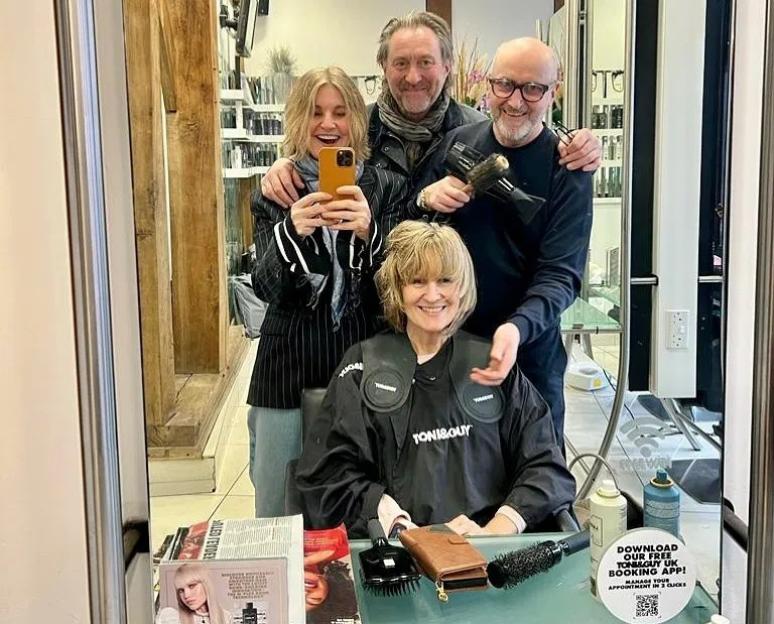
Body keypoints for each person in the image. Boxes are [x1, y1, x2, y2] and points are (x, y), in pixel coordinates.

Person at [296, 221, 576, 539]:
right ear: (398, 290)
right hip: (398, 555)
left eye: (445, 280)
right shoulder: (363, 369)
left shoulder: (492, 366)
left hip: (492, 556)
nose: (433, 295)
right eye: (418, 281)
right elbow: (325, 477)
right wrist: (399, 525)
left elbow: (546, 467)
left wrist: (495, 532)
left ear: (462, 287)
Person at [414, 37, 595, 449]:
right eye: (505, 85)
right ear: (487, 86)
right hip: (451, 348)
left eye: (533, 89)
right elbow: (410, 225)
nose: (516, 101)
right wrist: (427, 198)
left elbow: (561, 275)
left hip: (529, 352)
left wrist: (517, 328)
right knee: (458, 482)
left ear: (554, 91)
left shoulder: (568, 167)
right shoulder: (456, 144)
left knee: (535, 485)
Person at [246, 66, 409, 517]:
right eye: (315, 112)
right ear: (298, 121)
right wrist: (291, 231)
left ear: (357, 120)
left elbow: (402, 290)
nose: (328, 124)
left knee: (361, 504)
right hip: (286, 369)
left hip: (365, 364)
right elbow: (263, 286)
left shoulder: (387, 188)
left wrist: (371, 234)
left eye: (340, 112)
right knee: (278, 506)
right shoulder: (276, 191)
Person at [259, 10, 601, 206]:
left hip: (447, 311)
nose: (413, 77)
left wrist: (579, 144)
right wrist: (283, 163)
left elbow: (527, 129)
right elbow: (310, 159)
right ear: (383, 66)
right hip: (369, 314)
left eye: (425, 62)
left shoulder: (477, 129)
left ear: (448, 65)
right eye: (401, 63)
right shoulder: (356, 126)